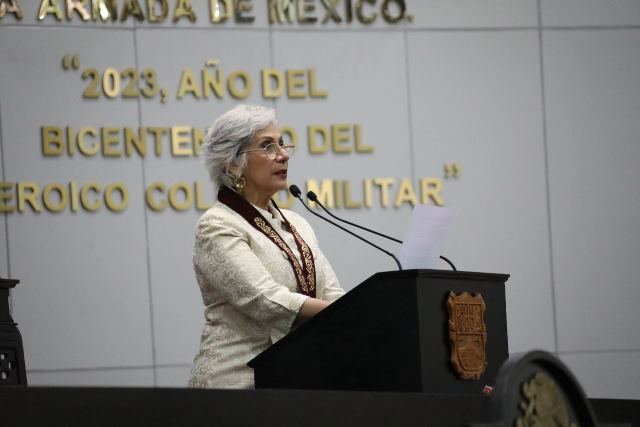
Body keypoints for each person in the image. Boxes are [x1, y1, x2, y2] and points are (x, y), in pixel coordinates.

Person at [188, 104, 345, 389]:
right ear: (232, 163)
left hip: (298, 382)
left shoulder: (297, 223)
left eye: (282, 144)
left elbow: (332, 294)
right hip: (236, 384)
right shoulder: (217, 225)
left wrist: (355, 311)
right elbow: (265, 300)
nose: (283, 155)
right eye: (267, 146)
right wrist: (346, 313)